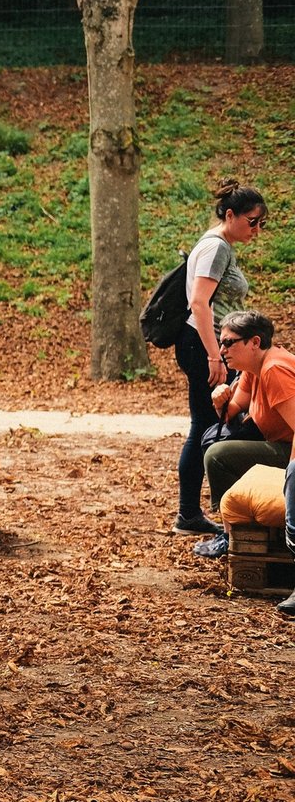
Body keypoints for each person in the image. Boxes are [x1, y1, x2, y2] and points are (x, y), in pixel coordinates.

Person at [174, 180, 267, 537]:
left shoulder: (217, 243)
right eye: (252, 221)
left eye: (261, 223)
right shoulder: (216, 248)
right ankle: (195, 513)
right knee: (211, 423)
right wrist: (216, 355)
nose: (257, 229)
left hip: (208, 343)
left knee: (209, 421)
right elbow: (199, 303)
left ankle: (193, 512)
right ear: (230, 215)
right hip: (206, 345)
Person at [192, 312, 295, 564]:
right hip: (279, 444)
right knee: (217, 446)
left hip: (290, 450)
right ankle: (235, 529)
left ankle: (231, 535)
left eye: (229, 342)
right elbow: (230, 413)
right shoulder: (254, 368)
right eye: (221, 342)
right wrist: (220, 399)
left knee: (219, 456)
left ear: (255, 342)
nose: (222, 349)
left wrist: (290, 480)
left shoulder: (274, 370)